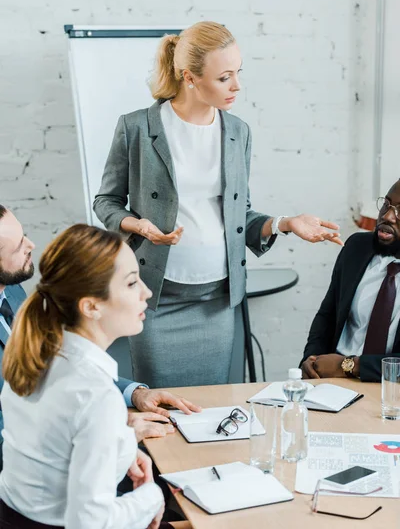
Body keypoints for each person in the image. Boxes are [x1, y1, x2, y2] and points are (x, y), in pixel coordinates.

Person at [94, 20, 343, 389]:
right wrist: (137, 226)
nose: (237, 86)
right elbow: (107, 201)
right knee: (163, 411)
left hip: (216, 300)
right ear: (189, 77)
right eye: (225, 77)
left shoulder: (237, 132)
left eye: (238, 73)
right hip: (156, 298)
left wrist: (286, 223)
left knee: (210, 407)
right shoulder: (136, 129)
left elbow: (238, 215)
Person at [0, 223, 181, 529]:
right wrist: (151, 498)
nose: (146, 292)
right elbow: (88, 524)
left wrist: (121, 446)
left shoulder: (34, 353)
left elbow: (55, 444)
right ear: (91, 306)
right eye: (131, 283)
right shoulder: (94, 395)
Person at [0, 205, 200, 449]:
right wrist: (104, 431)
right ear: (91, 306)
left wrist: (134, 394)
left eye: (25, 235)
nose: (31, 245)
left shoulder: (11, 291)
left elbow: (51, 365)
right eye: (19, 245)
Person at [300, 179, 400, 382]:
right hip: (333, 378)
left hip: (391, 388)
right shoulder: (357, 247)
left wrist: (348, 366)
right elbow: (327, 315)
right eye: (386, 204)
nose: (388, 216)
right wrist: (311, 360)